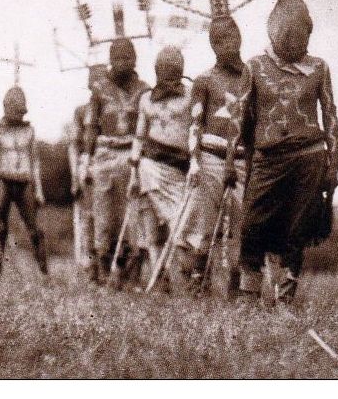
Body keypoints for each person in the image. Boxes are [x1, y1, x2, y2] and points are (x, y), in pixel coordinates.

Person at [226, 0, 338, 307]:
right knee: (252, 225)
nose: (295, 43)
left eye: (302, 35)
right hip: (267, 159)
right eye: (288, 36)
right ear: (273, 33)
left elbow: (330, 114)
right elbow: (238, 118)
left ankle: (285, 301)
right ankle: (248, 299)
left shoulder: (318, 68)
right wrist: (229, 160)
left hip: (308, 157)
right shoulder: (254, 67)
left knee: (296, 231)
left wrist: (334, 164)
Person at [178, 15, 248, 296]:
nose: (228, 45)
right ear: (213, 45)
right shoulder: (204, 80)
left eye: (233, 38)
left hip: (243, 161)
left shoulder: (251, 78)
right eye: (220, 41)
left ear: (240, 38)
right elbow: (195, 124)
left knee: (240, 226)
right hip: (209, 159)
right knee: (204, 226)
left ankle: (236, 288)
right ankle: (198, 285)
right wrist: (194, 162)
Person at [78, 38, 150, 284]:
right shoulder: (99, 90)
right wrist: (86, 159)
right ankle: (101, 272)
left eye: (128, 58)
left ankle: (130, 275)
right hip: (105, 154)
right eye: (118, 58)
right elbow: (91, 127)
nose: (123, 63)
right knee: (103, 217)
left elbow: (148, 126)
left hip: (133, 155)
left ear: (135, 60)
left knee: (133, 218)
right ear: (110, 60)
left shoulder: (144, 89)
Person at [129, 46, 193, 290]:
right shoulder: (146, 99)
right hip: (150, 168)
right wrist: (134, 168)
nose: (168, 72)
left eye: (173, 68)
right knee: (152, 226)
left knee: (180, 225)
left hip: (180, 170)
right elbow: (139, 135)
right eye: (163, 68)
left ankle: (186, 279)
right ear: (156, 71)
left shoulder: (190, 96)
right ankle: (160, 279)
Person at [0, 85, 48, 277]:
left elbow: (35, 161)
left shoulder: (29, 131)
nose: (18, 115)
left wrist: (39, 190)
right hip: (3, 181)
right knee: (0, 229)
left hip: (24, 183)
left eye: (21, 112)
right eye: (14, 111)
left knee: (35, 230)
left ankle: (44, 273)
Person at [68, 64, 109, 281]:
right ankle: (92, 271)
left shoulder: (112, 109)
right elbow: (74, 145)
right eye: (95, 82)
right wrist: (76, 176)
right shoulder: (82, 111)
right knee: (90, 219)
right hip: (89, 167)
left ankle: (112, 269)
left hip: (110, 165)